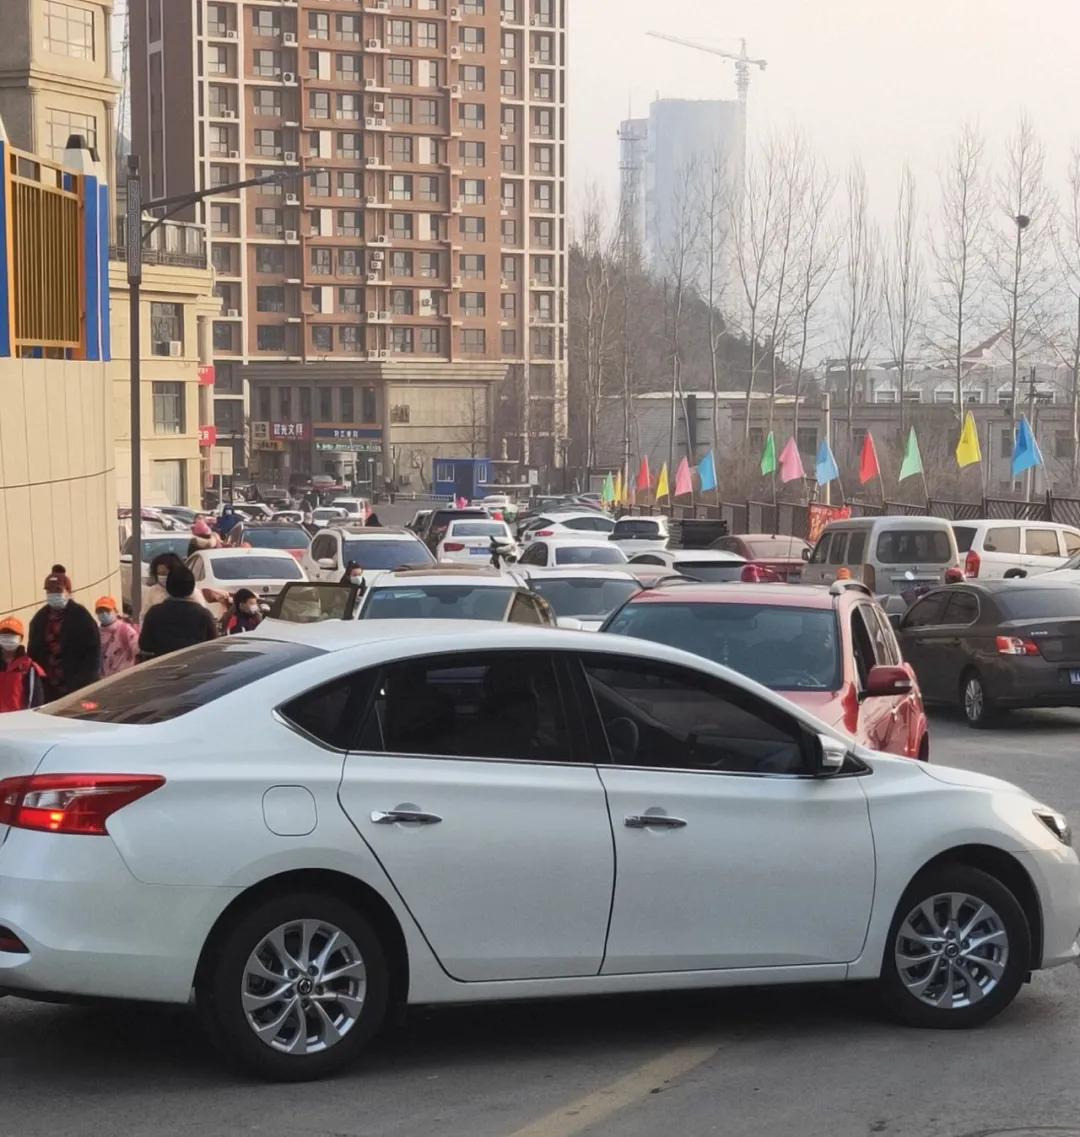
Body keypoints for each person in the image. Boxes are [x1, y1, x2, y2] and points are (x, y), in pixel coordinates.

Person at [28, 566, 101, 702]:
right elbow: (33, 653)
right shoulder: (40, 619)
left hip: (77, 686)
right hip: (47, 688)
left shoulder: (81, 617)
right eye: (49, 590)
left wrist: (87, 683)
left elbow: (93, 653)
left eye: (58, 590)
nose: (53, 594)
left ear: (68, 591)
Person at [138, 566, 218, 658]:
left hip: (163, 667)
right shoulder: (204, 614)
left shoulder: (154, 612)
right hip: (195, 667)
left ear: (168, 587)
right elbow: (213, 645)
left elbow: (145, 645)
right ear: (192, 587)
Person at [0, 617, 45, 712]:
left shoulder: (29, 667)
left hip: (19, 721)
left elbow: (37, 702)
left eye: (12, 635)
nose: (8, 638)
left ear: (21, 638)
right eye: (4, 635)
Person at [95, 596, 139, 676]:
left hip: (125, 677)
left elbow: (137, 650)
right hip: (104, 680)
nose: (104, 613)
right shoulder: (96, 634)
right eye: (100, 611)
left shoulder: (125, 630)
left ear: (115, 611)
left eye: (107, 610)